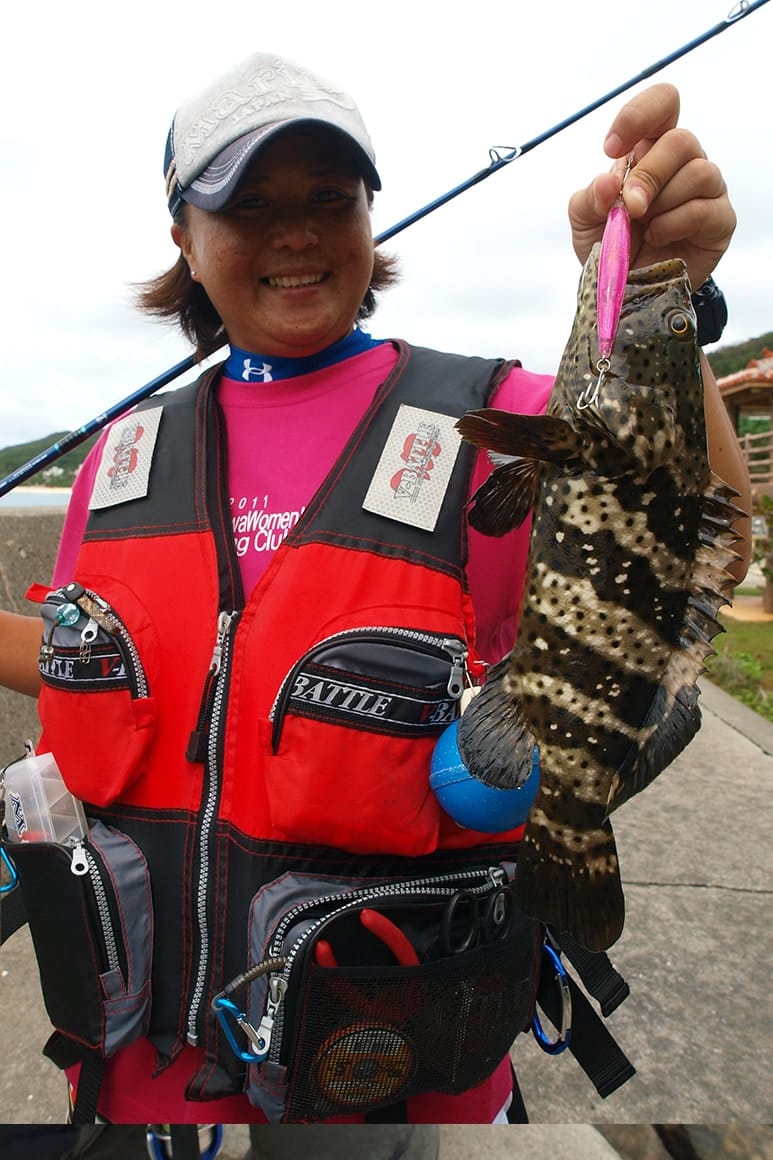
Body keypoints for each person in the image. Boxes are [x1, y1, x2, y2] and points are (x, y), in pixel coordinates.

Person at [0, 50, 751, 1156]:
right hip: (138, 1066)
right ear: (183, 241)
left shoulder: (498, 415)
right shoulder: (120, 462)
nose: (295, 232)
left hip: (378, 1064)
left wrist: (650, 292)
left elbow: (699, 546)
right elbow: (107, 663)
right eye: (247, 205)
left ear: (368, 215)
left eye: (328, 199)